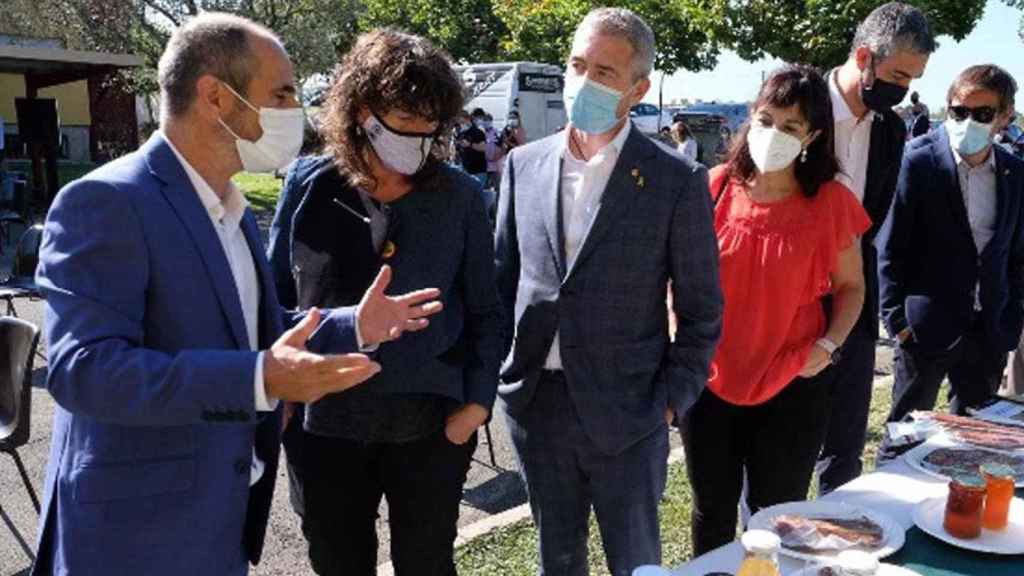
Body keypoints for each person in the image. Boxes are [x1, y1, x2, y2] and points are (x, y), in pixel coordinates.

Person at [30, 14, 443, 576]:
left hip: (219, 520)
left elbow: (257, 328)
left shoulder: (230, 207)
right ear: (215, 97)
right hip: (135, 535)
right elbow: (85, 372)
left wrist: (356, 325)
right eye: (281, 93)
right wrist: (259, 380)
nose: (296, 109)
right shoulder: (105, 202)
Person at [495, 8, 723, 575]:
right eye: (577, 65)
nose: (583, 82)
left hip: (630, 410)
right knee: (558, 558)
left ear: (638, 88)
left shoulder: (675, 179)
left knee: (636, 561)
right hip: (536, 408)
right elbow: (502, 281)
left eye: (604, 73)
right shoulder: (524, 165)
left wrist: (672, 398)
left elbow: (701, 309)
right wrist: (503, 377)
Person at [267, 29, 502, 576]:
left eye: (432, 130)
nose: (418, 146)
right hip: (322, 430)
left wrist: (475, 408)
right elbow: (270, 302)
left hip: (430, 431)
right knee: (338, 563)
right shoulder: (309, 184)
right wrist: (280, 395)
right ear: (364, 113)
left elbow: (488, 312)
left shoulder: (460, 197)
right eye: (406, 127)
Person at [683, 65, 869, 555]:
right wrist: (678, 342)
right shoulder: (715, 187)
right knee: (711, 511)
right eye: (766, 119)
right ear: (750, 118)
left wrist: (828, 346)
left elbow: (852, 288)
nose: (773, 134)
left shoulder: (831, 202)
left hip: (792, 382)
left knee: (776, 516)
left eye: (790, 127)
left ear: (812, 137)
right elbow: (675, 278)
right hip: (710, 383)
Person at [814, 1, 934, 496]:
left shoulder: (891, 130)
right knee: (776, 457)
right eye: (898, 74)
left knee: (843, 451)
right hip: (786, 308)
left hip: (852, 308)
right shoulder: (798, 105)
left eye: (913, 79)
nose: (903, 89)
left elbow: (871, 225)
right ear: (864, 56)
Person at [878, 65, 1024, 432]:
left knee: (975, 437)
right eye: (959, 112)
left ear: (1005, 117)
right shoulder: (917, 162)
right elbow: (890, 248)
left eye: (983, 114)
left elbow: (1017, 254)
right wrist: (898, 323)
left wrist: (1012, 314)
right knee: (907, 433)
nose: (968, 122)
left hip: (988, 328)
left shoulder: (1016, 173)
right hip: (924, 328)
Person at [457, 108, 488, 185]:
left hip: (478, 171)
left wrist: (470, 145)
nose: (461, 124)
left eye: (462, 122)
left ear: (467, 119)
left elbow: (483, 148)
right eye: (459, 123)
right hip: (465, 169)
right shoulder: (461, 133)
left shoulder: (478, 132)